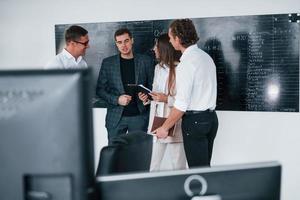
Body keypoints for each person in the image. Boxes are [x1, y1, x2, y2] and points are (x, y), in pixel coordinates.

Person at [155, 19, 219, 168]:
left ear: (178, 39)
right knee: (204, 168)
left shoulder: (186, 64)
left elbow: (181, 105)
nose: (170, 42)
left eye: (171, 38)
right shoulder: (206, 57)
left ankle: (200, 192)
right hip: (211, 119)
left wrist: (164, 128)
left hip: (195, 122)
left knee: (197, 171)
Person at [96, 28, 154, 143]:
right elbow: (100, 90)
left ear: (132, 40)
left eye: (126, 41)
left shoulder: (146, 61)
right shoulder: (108, 63)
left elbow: (153, 87)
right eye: (119, 42)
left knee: (138, 154)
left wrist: (147, 98)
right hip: (116, 118)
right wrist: (117, 99)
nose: (123, 45)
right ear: (116, 44)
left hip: (139, 116)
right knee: (114, 156)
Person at [139, 33, 187, 171]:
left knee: (178, 167)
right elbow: (156, 93)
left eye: (156, 46)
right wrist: (147, 99)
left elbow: (185, 101)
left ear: (165, 48)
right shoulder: (158, 68)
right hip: (156, 122)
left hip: (174, 122)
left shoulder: (182, 69)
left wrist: (165, 98)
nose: (154, 49)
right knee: (151, 165)